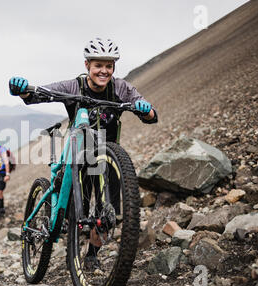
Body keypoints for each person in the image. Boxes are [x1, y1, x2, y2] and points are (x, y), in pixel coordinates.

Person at [9, 37, 158, 271]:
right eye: (98, 65)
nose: (104, 71)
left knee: (106, 213)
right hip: (80, 152)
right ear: (87, 64)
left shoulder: (120, 88)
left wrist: (145, 109)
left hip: (108, 156)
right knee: (73, 209)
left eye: (109, 66)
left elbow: (149, 113)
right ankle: (68, 229)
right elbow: (41, 94)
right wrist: (23, 91)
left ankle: (91, 254)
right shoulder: (73, 86)